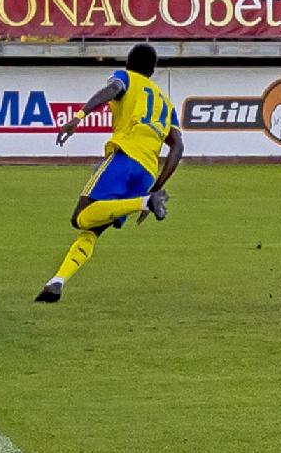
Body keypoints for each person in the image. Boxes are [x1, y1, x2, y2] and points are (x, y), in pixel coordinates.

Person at [36, 42, 182, 302]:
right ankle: (57, 281)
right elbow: (178, 146)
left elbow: (114, 89)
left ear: (128, 62)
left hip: (125, 158)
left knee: (80, 216)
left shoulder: (126, 77)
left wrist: (79, 116)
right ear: (152, 70)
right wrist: (156, 186)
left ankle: (144, 202)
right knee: (92, 229)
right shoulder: (166, 103)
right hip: (147, 172)